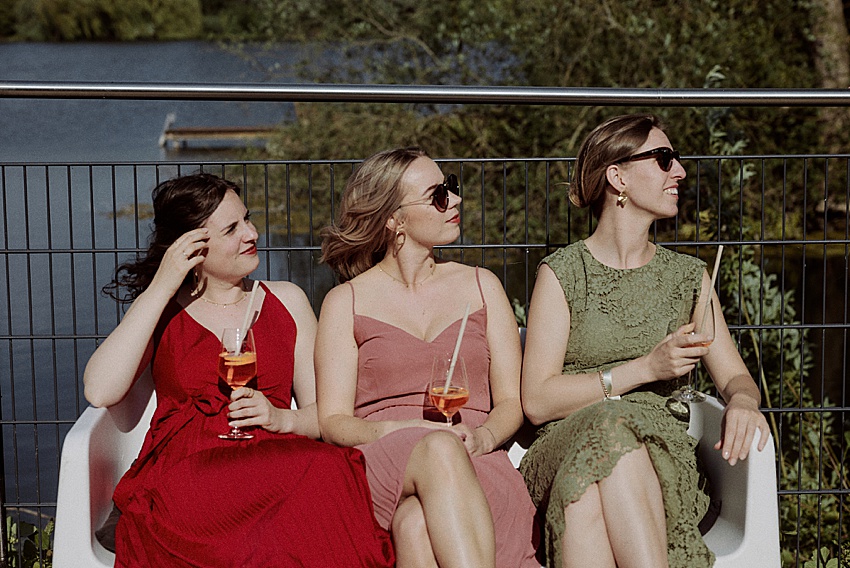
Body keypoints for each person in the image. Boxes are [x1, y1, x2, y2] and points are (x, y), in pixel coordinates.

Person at [83, 173, 394, 567]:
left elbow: (328, 414)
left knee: (323, 478)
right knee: (317, 477)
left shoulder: (287, 300)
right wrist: (162, 284)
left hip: (276, 461)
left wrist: (281, 417)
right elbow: (99, 389)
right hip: (190, 477)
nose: (252, 233)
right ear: (192, 247)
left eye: (247, 219)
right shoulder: (161, 311)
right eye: (232, 228)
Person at [519, 114, 770, 568]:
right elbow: (537, 400)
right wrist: (645, 369)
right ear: (618, 177)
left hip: (660, 451)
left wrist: (745, 403)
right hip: (562, 442)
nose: (680, 171)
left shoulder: (689, 278)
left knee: (586, 506)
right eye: (663, 159)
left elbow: (736, 377)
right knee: (609, 427)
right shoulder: (562, 274)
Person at [316, 147, 539, 568]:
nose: (455, 201)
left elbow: (511, 401)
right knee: (436, 448)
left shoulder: (481, 285)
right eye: (438, 195)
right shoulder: (344, 302)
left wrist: (487, 437)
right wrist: (404, 428)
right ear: (394, 219)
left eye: (450, 188)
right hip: (384, 452)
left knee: (416, 525)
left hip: (473, 450)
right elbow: (333, 422)